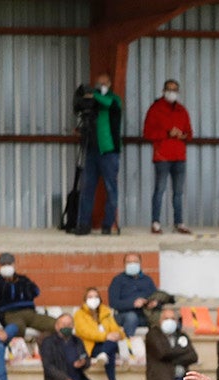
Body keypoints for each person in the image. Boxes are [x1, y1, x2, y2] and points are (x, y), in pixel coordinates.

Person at [142, 78, 192, 234]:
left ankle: (179, 222)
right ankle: (155, 222)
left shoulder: (182, 110)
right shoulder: (155, 109)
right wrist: (167, 133)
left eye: (175, 89)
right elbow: (147, 133)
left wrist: (183, 135)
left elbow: (190, 133)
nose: (172, 92)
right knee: (160, 190)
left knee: (178, 192)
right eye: (169, 89)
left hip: (179, 156)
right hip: (162, 156)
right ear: (163, 91)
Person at [75, 72, 123, 236]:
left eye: (103, 83)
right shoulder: (93, 102)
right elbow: (80, 107)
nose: (100, 86)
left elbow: (108, 103)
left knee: (111, 189)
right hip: (92, 150)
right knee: (87, 188)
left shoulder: (114, 99)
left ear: (109, 84)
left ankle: (107, 225)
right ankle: (83, 224)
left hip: (109, 151)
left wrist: (93, 94)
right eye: (98, 83)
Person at [0, 252, 57, 347]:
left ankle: (42, 341)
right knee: (18, 328)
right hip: (11, 314)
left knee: (55, 324)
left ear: (13, 264)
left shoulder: (23, 279)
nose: (7, 266)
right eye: (4, 264)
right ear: (0, 266)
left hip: (30, 312)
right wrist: (8, 284)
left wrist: (20, 284)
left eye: (9, 264)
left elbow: (36, 292)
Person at [72, 287, 129, 380]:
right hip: (89, 347)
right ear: (85, 300)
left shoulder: (106, 312)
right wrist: (106, 336)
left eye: (96, 296)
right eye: (90, 297)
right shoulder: (79, 314)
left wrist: (119, 334)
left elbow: (115, 328)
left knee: (111, 345)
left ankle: (104, 355)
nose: (93, 299)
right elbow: (85, 332)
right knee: (110, 348)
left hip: (106, 345)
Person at [41, 314, 105, 380]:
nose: (66, 327)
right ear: (57, 326)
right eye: (63, 324)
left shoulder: (77, 341)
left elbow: (87, 359)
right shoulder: (49, 342)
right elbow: (48, 366)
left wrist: (83, 363)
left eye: (69, 324)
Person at [108, 253, 159, 337]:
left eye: (135, 262)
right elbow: (113, 303)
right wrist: (133, 303)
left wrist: (153, 303)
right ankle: (128, 345)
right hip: (124, 315)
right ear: (124, 265)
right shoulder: (118, 280)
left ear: (140, 264)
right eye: (129, 262)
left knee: (163, 316)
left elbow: (155, 296)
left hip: (144, 314)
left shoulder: (147, 280)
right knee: (131, 317)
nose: (132, 264)